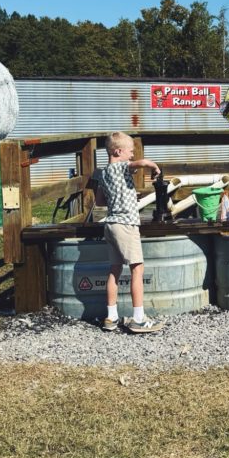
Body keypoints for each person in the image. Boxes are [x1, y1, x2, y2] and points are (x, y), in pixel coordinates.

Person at [94, 131, 165, 333]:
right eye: (130, 152)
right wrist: (153, 165)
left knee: (114, 270)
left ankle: (111, 317)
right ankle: (139, 318)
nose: (132, 155)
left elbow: (100, 202)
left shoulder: (103, 173)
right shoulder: (119, 167)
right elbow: (138, 164)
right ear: (118, 151)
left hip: (111, 224)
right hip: (126, 225)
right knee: (137, 269)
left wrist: (123, 195)